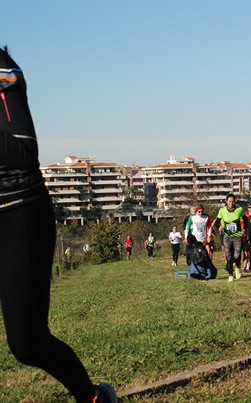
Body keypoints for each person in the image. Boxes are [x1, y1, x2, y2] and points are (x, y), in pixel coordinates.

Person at [0, 46, 117, 402]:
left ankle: (94, 396)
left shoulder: (3, 71)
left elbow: (24, 152)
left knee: (28, 342)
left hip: (17, 212)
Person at [212, 194, 248, 282]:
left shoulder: (239, 209)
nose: (231, 203)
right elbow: (217, 221)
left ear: (234, 201)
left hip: (237, 236)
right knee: (228, 256)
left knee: (237, 255)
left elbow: (245, 219)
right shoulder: (222, 210)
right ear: (226, 201)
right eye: (229, 201)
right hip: (227, 237)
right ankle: (230, 275)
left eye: (232, 201)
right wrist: (219, 227)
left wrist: (244, 229)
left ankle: (237, 268)